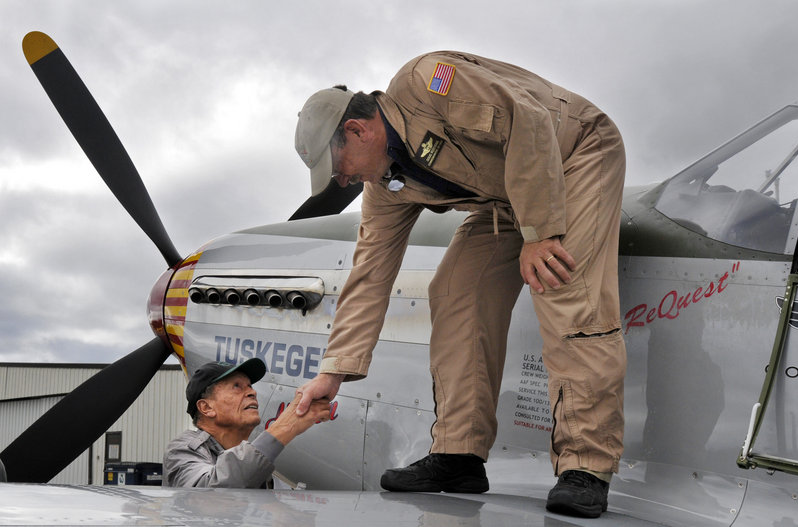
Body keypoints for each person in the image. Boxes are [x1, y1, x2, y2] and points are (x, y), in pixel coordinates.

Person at [293, 51, 626, 518]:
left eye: (339, 167)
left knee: (561, 285)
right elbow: (369, 274)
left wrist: (541, 233)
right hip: (511, 193)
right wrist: (334, 371)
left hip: (574, 154)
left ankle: (586, 465)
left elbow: (526, 120)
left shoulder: (429, 82)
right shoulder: (386, 186)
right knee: (454, 291)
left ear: (357, 130)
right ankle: (458, 455)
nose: (343, 179)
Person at [163, 358, 331, 488]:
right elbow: (206, 492)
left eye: (250, 386)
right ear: (206, 407)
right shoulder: (182, 449)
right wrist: (286, 426)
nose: (252, 392)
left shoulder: (257, 462)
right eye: (237, 386)